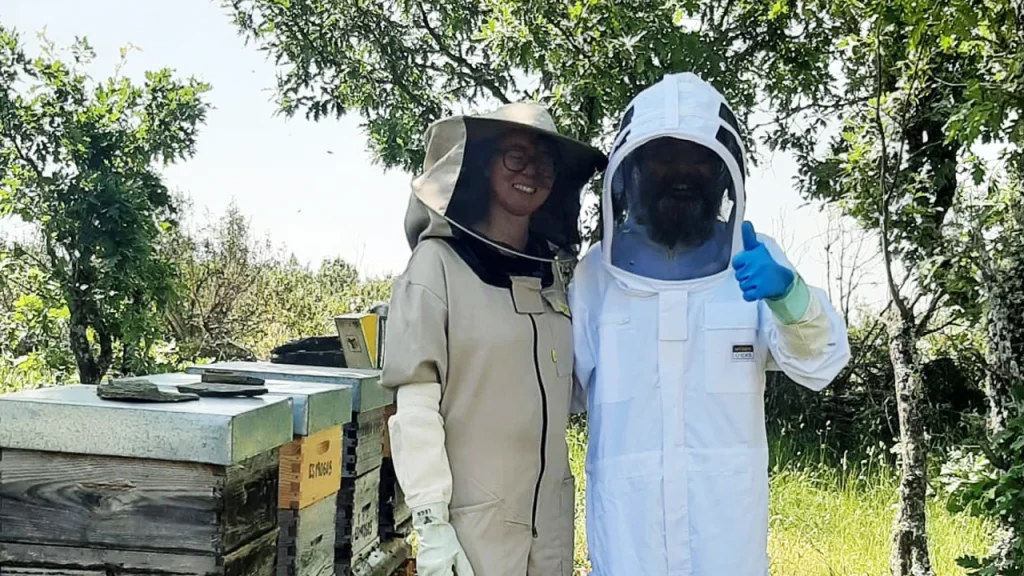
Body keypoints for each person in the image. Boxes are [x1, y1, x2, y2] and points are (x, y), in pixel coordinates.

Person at [567, 72, 852, 575]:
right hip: (628, 541)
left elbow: (821, 364)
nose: (682, 171)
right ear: (633, 169)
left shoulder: (756, 258)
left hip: (727, 539)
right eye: (663, 157)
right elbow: (562, 390)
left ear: (724, 171)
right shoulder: (596, 276)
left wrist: (789, 296)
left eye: (698, 158)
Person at [380, 103, 607, 576]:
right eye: (515, 156)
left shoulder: (555, 280)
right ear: (483, 165)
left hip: (549, 531)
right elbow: (416, 409)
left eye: (544, 161)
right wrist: (431, 523)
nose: (532, 171)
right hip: (471, 534)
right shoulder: (435, 268)